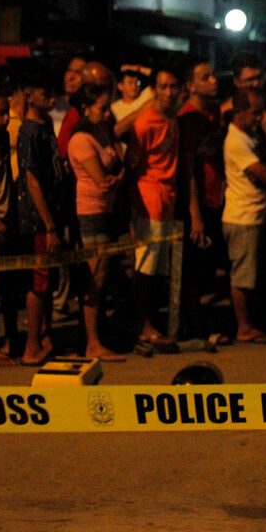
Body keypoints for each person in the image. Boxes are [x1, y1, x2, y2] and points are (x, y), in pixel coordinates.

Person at [67, 85, 126, 362]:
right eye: (102, 108)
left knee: (103, 275)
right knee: (95, 276)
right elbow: (103, 182)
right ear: (86, 108)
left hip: (106, 210)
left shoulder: (102, 132)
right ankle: (92, 342)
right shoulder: (80, 139)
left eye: (108, 107)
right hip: (91, 211)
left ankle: (95, 337)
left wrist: (118, 176)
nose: (107, 113)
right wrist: (119, 176)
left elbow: (116, 171)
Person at [125, 66, 181, 348]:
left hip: (167, 198)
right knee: (145, 267)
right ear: (155, 90)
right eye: (163, 86)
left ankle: (153, 324)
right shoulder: (145, 123)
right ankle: (142, 325)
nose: (169, 92)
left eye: (174, 86)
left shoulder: (172, 117)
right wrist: (137, 210)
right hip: (150, 199)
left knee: (159, 268)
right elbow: (133, 167)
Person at [16, 69, 69, 365]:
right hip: (39, 221)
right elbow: (32, 179)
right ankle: (31, 345)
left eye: (53, 91)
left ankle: (44, 337)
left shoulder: (46, 123)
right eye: (44, 91)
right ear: (29, 94)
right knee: (38, 282)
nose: (51, 97)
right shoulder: (29, 131)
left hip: (52, 216)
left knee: (47, 280)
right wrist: (48, 225)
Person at [177, 59, 226, 341]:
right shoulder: (188, 119)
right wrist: (195, 213)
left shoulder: (213, 114)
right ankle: (192, 326)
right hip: (198, 201)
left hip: (216, 197)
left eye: (214, 75)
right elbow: (189, 170)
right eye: (205, 77)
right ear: (190, 85)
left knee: (205, 267)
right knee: (191, 268)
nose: (213, 80)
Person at [222, 89, 266, 343]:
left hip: (252, 214)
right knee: (242, 276)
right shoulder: (236, 141)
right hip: (243, 216)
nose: (259, 117)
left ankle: (250, 323)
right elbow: (265, 175)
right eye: (255, 113)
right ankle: (243, 327)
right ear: (239, 112)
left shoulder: (248, 135)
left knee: (250, 274)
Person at [0, 84, 17, 366]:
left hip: (4, 224)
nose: (7, 117)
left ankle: (4, 340)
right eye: (0, 113)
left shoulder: (2, 136)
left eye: (7, 112)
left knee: (1, 289)